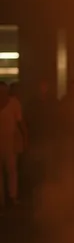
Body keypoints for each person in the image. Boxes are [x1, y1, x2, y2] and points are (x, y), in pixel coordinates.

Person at [0, 81, 26, 209]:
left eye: (4, 91)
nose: (2, 94)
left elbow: (20, 122)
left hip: (10, 142)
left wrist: (25, 137)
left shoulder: (14, 103)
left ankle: (12, 197)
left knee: (11, 170)